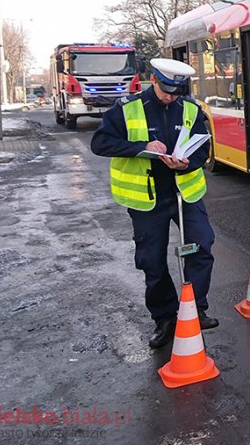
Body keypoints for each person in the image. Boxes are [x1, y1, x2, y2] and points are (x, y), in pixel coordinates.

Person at [91, 58, 218, 348]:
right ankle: (165, 318)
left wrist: (186, 164)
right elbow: (100, 143)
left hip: (185, 194)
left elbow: (203, 150)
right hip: (148, 199)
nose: (170, 96)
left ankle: (195, 309)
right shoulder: (127, 108)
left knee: (202, 246)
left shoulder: (190, 109)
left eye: (176, 91)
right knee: (152, 261)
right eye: (165, 89)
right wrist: (141, 148)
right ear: (153, 79)